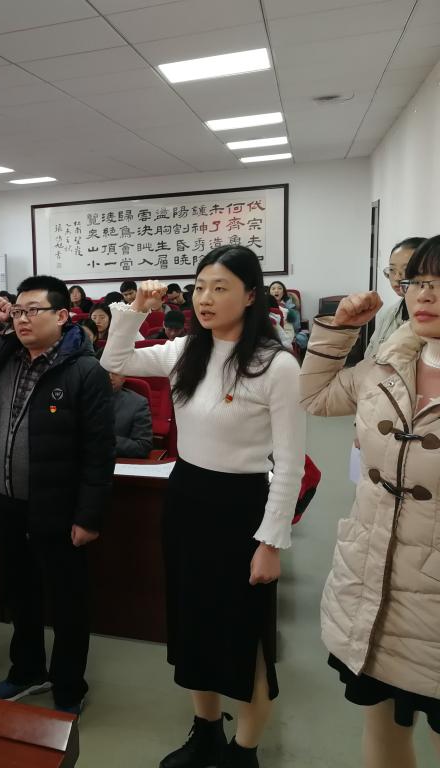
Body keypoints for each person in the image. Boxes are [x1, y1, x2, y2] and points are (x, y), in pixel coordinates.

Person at [101, 246, 305, 768]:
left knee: (242, 634)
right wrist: (135, 311)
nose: (205, 298)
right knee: (191, 621)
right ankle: (207, 731)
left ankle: (245, 751)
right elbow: (114, 363)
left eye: (220, 287)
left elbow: (289, 464)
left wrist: (271, 542)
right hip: (187, 497)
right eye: (199, 287)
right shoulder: (186, 350)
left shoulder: (275, 365)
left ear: (251, 295)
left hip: (242, 508)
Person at [299, 235, 440, 768]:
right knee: (382, 728)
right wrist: (339, 331)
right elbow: (313, 397)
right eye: (418, 282)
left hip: (433, 601)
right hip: (372, 586)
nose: (425, 294)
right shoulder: (384, 367)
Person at [0, 276, 115, 716]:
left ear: (61, 316)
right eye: (18, 311)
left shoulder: (84, 371)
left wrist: (89, 516)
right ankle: (27, 671)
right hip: (5, 500)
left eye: (33, 311)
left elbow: (99, 452)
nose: (22, 319)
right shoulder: (3, 354)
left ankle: (68, 685)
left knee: (67, 601)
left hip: (58, 505)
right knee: (19, 592)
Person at [365, 237, 427, 360]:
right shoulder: (389, 313)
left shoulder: (431, 319)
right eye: (392, 270)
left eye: (406, 269)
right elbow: (370, 353)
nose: (397, 277)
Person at [109, 372, 153, 458]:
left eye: (115, 373)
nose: (110, 377)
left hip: (116, 460)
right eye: (105, 371)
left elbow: (143, 447)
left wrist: (106, 441)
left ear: (123, 377)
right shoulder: (83, 397)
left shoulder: (138, 403)